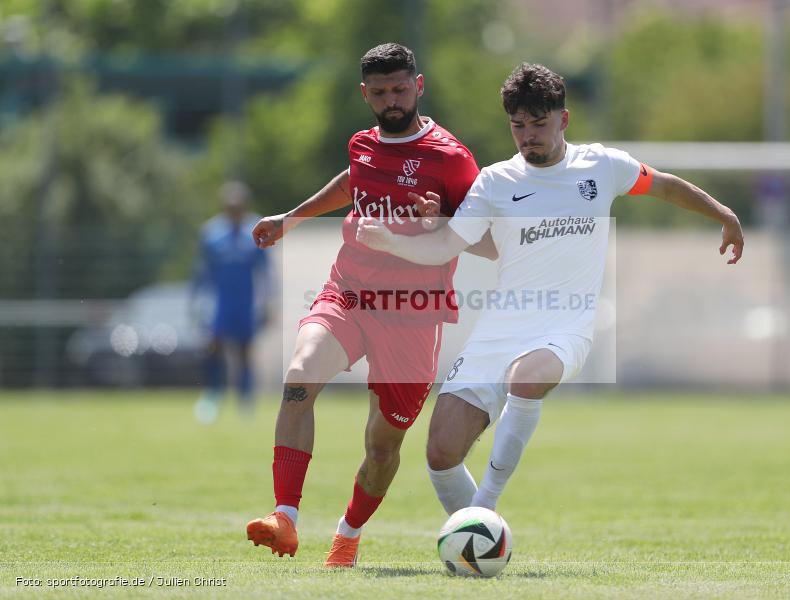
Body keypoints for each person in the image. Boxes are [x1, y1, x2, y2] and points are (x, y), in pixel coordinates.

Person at [356, 63, 744, 516]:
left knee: (527, 379)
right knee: (440, 455)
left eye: (538, 124)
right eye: (518, 126)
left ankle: (485, 512)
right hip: (499, 328)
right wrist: (395, 241)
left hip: (565, 325)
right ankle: (481, 547)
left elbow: (665, 186)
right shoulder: (495, 181)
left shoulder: (602, 166)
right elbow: (445, 244)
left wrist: (724, 214)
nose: (528, 136)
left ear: (564, 119)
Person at [245, 43, 496, 566]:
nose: (391, 100)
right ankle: (284, 517)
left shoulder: (451, 157)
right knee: (299, 378)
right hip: (350, 293)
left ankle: (348, 533)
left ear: (419, 85)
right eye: (379, 92)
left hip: (413, 312)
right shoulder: (362, 143)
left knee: (382, 451)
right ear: (366, 94)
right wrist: (291, 218)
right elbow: (354, 180)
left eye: (400, 89)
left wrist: (441, 222)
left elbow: (487, 238)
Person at [191, 181, 271, 423]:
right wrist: (197, 301)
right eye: (230, 206)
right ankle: (212, 397)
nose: (234, 210)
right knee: (214, 349)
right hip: (220, 303)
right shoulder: (212, 233)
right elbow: (201, 271)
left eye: (239, 206)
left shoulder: (256, 229)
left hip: (245, 303)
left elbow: (265, 272)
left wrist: (267, 302)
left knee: (245, 352)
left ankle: (245, 401)